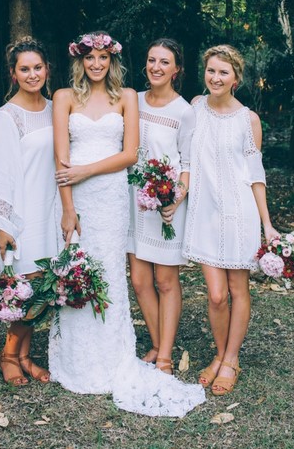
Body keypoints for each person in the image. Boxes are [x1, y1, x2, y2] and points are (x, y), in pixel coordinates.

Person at [49, 31, 205, 417]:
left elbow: (129, 153)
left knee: (113, 275)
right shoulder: (64, 97)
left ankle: (115, 355)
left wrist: (86, 170)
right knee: (79, 267)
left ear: (112, 61)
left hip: (115, 199)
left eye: (103, 58)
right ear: (80, 61)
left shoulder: (126, 98)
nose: (97, 64)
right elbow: (61, 161)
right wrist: (68, 207)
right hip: (78, 198)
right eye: (90, 58)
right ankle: (76, 358)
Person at [182, 44, 279, 396]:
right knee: (216, 294)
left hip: (240, 213)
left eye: (223, 72)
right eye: (211, 70)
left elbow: (256, 175)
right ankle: (219, 353)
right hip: (205, 213)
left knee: (238, 290)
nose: (216, 77)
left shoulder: (248, 120)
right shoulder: (195, 108)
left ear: (236, 78)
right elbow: (186, 158)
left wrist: (267, 224)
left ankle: (230, 359)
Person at [0, 37, 57, 386]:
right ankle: (9, 354)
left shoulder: (55, 107)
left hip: (51, 210)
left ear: (47, 69)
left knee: (44, 287)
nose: (33, 74)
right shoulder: (7, 116)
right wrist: (4, 224)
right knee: (26, 288)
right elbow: (1, 172)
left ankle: (25, 356)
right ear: (13, 74)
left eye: (38, 67)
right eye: (24, 69)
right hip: (22, 213)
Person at [127, 38, 194, 374]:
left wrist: (174, 199)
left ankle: (165, 355)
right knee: (139, 280)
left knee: (165, 281)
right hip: (132, 202)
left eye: (164, 62)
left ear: (176, 69)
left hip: (166, 204)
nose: (156, 67)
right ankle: (155, 343)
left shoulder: (184, 111)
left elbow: (188, 163)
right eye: (152, 60)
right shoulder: (132, 100)